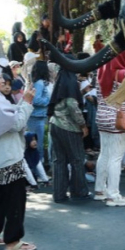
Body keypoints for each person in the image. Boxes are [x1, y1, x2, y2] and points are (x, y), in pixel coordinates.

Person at [0, 64, 37, 250]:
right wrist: (26, 103)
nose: (3, 79)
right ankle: (13, 241)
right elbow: (16, 123)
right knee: (15, 199)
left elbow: (9, 115)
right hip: (8, 157)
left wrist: (23, 102)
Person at [94, 50, 125, 207]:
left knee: (104, 154)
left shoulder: (100, 71)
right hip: (119, 119)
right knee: (116, 157)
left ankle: (100, 190)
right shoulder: (124, 74)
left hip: (102, 117)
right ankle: (113, 194)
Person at [48, 64, 90, 203]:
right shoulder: (71, 83)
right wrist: (83, 125)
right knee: (77, 159)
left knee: (59, 160)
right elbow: (73, 106)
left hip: (55, 124)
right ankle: (79, 191)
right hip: (69, 127)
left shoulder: (59, 81)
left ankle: (59, 194)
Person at [27, 61, 51, 167]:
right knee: (38, 145)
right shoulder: (40, 83)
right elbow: (36, 100)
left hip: (37, 117)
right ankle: (38, 169)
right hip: (36, 117)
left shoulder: (37, 82)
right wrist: (48, 100)